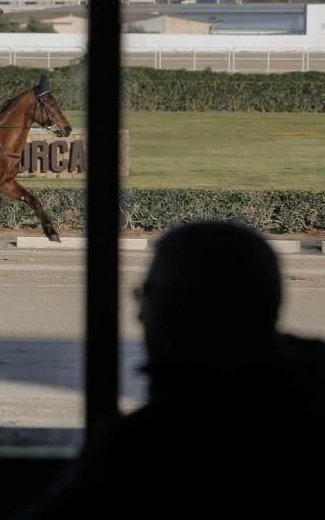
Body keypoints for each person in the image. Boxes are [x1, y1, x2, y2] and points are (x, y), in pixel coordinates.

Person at [20, 220, 325, 518]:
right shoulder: (307, 388)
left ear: (181, 311)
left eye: (149, 296)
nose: (139, 315)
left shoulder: (139, 449)